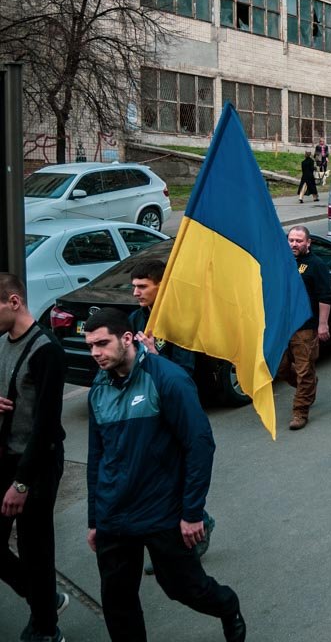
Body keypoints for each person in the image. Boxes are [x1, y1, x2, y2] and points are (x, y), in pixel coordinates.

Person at [83, 308, 245, 642]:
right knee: (117, 600)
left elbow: (200, 445)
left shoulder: (167, 379)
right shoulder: (99, 388)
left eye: (102, 343)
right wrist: (94, 518)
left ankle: (227, 606)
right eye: (90, 346)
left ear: (127, 338)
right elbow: (96, 456)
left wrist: (192, 512)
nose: (95, 353)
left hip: (161, 510)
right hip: (114, 514)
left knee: (184, 588)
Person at [128, 260, 214, 572]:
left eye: (142, 286)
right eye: (134, 286)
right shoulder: (137, 318)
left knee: (178, 476)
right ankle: (191, 527)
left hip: (178, 412)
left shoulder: (179, 320)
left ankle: (194, 530)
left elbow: (184, 373)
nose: (136, 292)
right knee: (159, 477)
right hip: (148, 410)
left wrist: (155, 355)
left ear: (161, 286)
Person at [0, 273, 67, 642]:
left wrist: (22, 483)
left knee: (34, 547)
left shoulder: (46, 350)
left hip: (37, 464)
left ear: (14, 302)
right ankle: (43, 599)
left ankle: (46, 628)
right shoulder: (1, 342)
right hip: (6, 457)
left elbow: (46, 426)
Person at [278, 226, 331, 431]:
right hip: (283, 326)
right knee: (280, 367)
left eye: (299, 241)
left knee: (304, 370)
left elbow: (325, 296)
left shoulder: (316, 264)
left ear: (308, 243)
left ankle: (300, 411)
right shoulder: (282, 261)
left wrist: (323, 324)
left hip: (305, 327)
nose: (294, 244)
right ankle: (308, 385)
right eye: (291, 240)